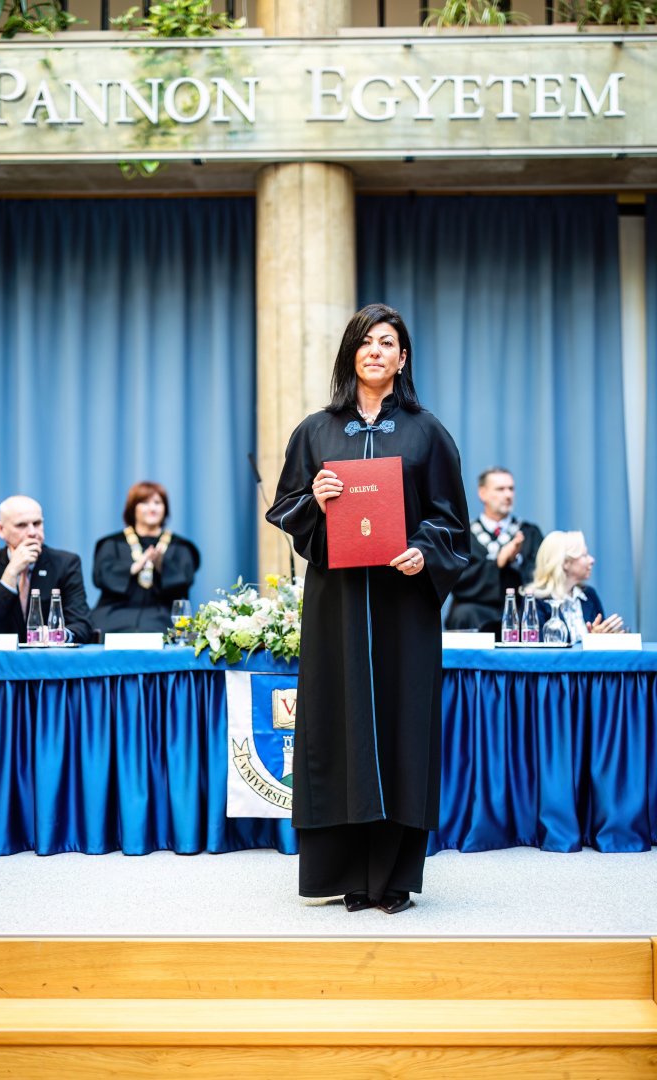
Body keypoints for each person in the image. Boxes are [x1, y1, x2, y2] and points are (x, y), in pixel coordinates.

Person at [266, 303, 470, 915]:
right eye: (366, 341)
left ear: (403, 359)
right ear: (351, 353)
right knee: (337, 722)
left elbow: (453, 523)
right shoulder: (316, 431)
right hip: (338, 604)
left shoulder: (427, 432)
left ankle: (393, 878)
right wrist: (316, 497)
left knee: (404, 725)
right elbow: (286, 510)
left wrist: (423, 550)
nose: (376, 351)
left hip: (404, 604)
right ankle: (342, 874)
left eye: (388, 343)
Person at [0, 495, 92, 643]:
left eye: (37, 523)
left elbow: (82, 625)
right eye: (21, 525)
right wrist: (11, 573)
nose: (32, 532)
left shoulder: (66, 564)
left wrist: (60, 635)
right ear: (1, 530)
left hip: (49, 655)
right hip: (4, 657)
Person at [91, 481, 200, 634]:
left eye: (157, 502)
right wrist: (134, 567)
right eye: (144, 502)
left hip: (163, 616)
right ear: (132, 508)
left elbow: (185, 580)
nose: (152, 508)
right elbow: (101, 577)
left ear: (165, 508)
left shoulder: (180, 546)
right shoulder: (112, 543)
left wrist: (161, 565)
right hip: (115, 614)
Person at [445, 466, 543, 630]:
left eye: (511, 489)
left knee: (534, 613)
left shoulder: (528, 533)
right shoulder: (464, 535)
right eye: (500, 489)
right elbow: (456, 581)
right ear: (482, 493)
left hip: (519, 609)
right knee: (463, 613)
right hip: (476, 611)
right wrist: (498, 562)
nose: (508, 495)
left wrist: (516, 561)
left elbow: (541, 576)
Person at [526, 530, 624, 641]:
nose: (592, 560)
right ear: (566, 563)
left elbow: (602, 640)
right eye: (584, 555)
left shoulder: (589, 595)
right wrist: (591, 640)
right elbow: (536, 647)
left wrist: (604, 637)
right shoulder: (534, 602)